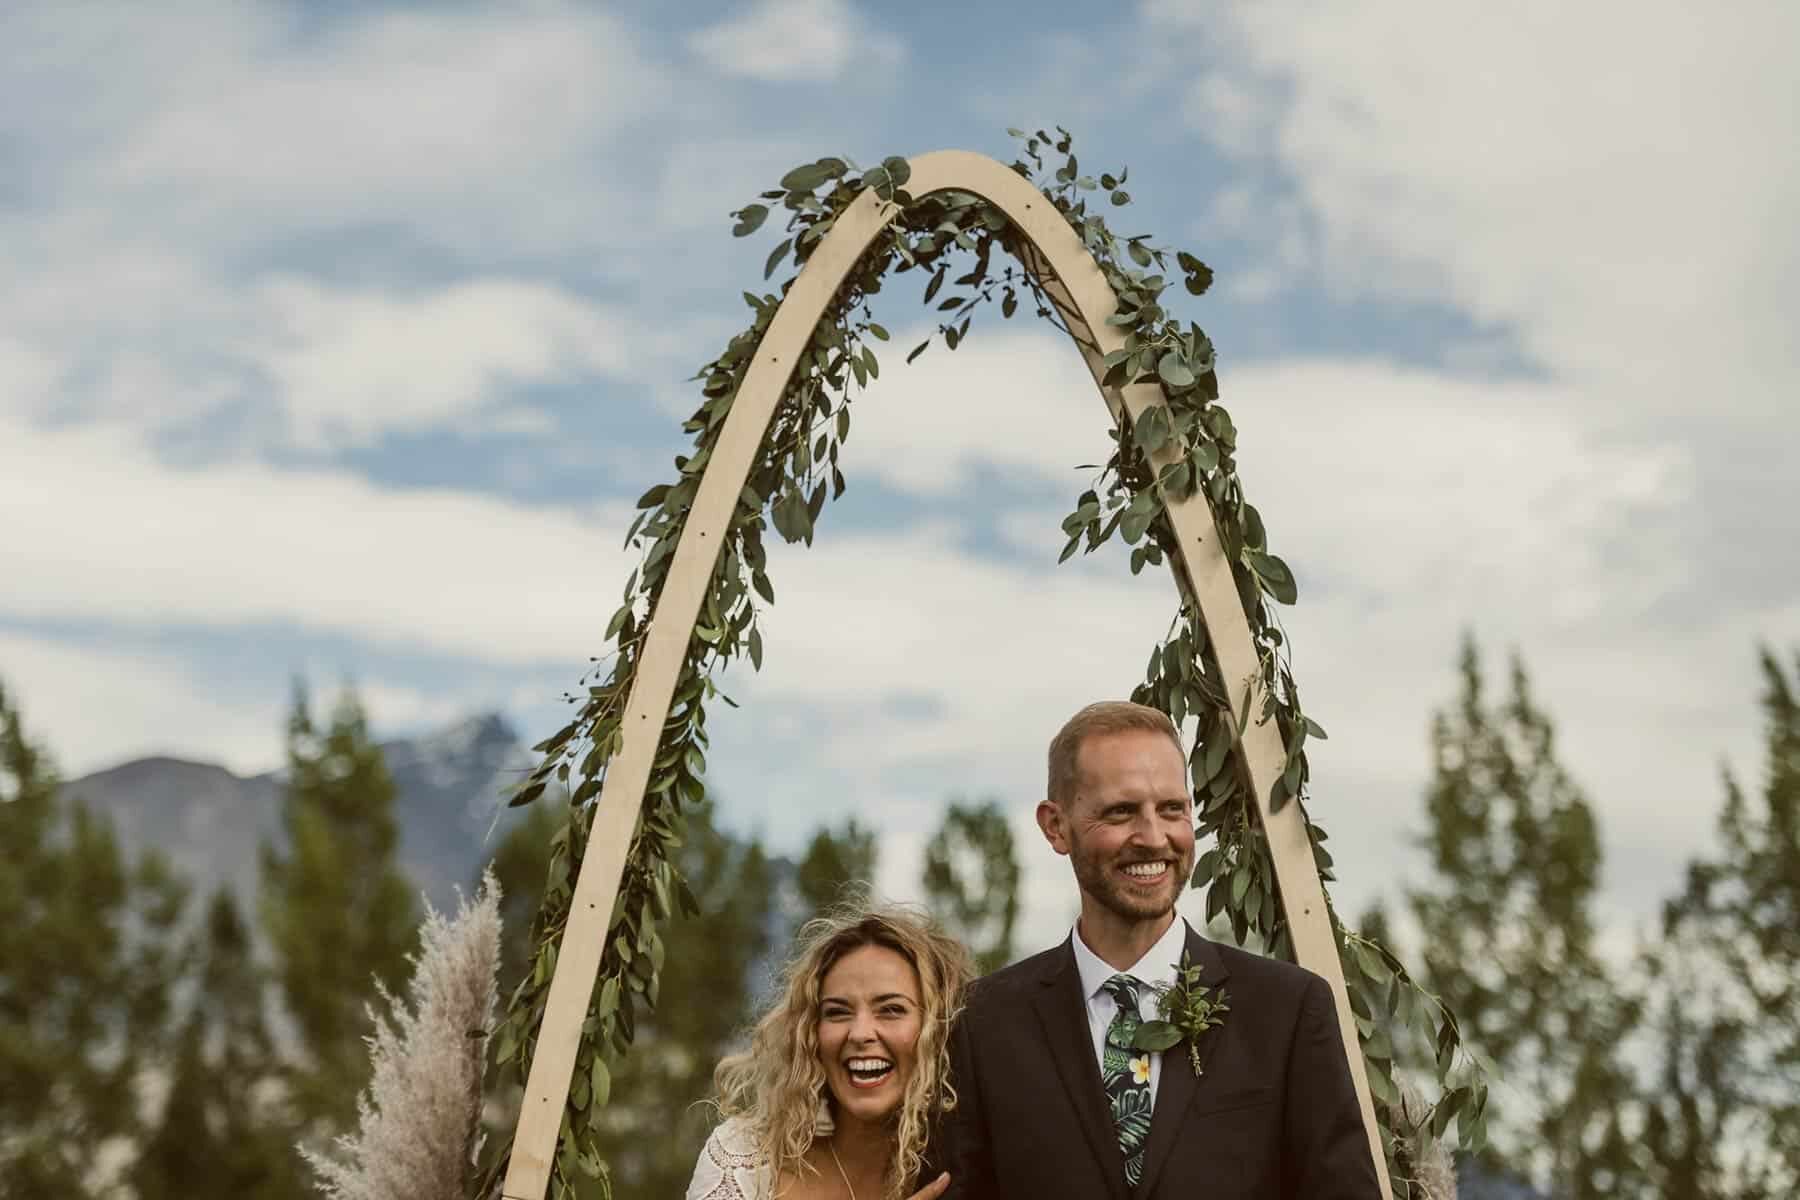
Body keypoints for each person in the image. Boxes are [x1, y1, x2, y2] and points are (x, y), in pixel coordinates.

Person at [941, 701, 1381, 1199]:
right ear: (1055, 826)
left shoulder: (1287, 1010)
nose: (1153, 838)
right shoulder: (984, 1022)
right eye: (1121, 811)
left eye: (1172, 809)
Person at [686, 903, 974, 1200]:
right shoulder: (745, 1157)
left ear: (938, 1029)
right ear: (810, 1032)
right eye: (837, 1012)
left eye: (891, 1010)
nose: (860, 1034)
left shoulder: (970, 1170)